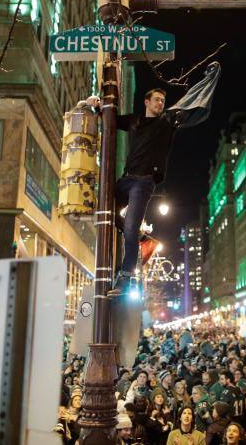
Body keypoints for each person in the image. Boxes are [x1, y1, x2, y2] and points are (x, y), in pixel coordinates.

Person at [85, 62, 221, 295]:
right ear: (146, 102)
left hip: (143, 183)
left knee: (128, 231)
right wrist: (96, 105)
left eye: (162, 101)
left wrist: (211, 77)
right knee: (106, 211)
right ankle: (140, 237)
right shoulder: (135, 121)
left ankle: (125, 279)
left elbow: (190, 103)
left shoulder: (167, 121)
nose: (161, 104)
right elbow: (111, 119)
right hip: (126, 180)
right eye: (156, 100)